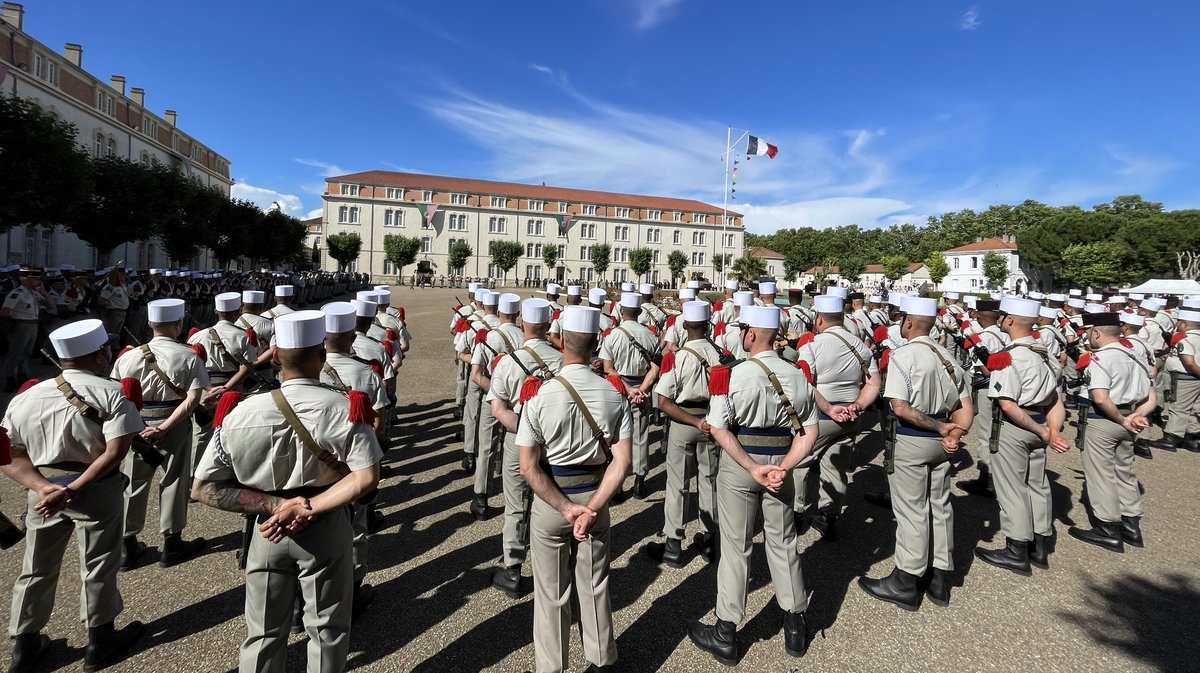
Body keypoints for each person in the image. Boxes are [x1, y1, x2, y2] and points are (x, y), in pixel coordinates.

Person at [191, 311, 382, 673]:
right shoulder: (344, 407)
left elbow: (202, 487)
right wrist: (307, 507)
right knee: (327, 630)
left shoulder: (240, 411)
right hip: (324, 521)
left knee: (262, 634)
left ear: (276, 356)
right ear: (322, 355)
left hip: (267, 525)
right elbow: (366, 478)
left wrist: (278, 505)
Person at [1, 319, 146, 672]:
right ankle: (100, 639)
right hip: (94, 488)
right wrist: (74, 489)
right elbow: (115, 452)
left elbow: (9, 454)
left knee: (35, 567)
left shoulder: (27, 396)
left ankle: (25, 644)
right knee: (98, 564)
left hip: (43, 489)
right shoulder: (111, 392)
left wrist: (44, 488)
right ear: (100, 356)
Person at [688, 305, 819, 664]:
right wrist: (783, 466)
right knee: (784, 542)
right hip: (781, 464)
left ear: (748, 335)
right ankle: (795, 626)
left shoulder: (730, 375)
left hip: (741, 465)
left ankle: (726, 631)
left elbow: (718, 428)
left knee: (736, 547)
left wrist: (752, 467)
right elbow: (811, 432)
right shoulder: (797, 374)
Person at [517, 305, 632, 673]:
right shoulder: (614, 396)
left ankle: (552, 668)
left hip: (553, 502)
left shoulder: (538, 395)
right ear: (597, 343)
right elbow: (622, 462)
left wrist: (566, 510)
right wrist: (592, 506)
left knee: (552, 595)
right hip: (594, 499)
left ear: (562, 341)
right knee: (595, 585)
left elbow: (528, 466)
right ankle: (601, 662)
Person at [858, 297, 972, 609]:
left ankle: (906, 579)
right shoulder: (947, 355)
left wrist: (938, 428)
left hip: (912, 438)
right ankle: (938, 576)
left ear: (908, 323)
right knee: (939, 505)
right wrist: (954, 432)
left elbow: (900, 407)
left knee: (911, 511)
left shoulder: (903, 356)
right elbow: (965, 408)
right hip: (942, 441)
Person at [112, 298, 210, 571]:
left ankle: (128, 545)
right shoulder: (188, 355)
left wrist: (138, 426)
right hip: (174, 424)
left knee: (133, 484)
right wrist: (166, 427)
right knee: (174, 482)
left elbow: (118, 396)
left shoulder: (128, 357)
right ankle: (172, 541)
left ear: (150, 324)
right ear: (179, 325)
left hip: (137, 427)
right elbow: (193, 400)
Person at [974, 297, 1069, 574]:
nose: (1001, 319)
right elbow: (1055, 400)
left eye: (1003, 316)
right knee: (1037, 484)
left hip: (1016, 427)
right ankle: (1039, 545)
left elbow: (1007, 403)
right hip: (1041, 422)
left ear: (1010, 320)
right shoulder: (1045, 354)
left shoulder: (1008, 357)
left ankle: (1017, 549)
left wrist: (1043, 431)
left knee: (1012, 488)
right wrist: (1051, 430)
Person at [486, 298, 563, 598]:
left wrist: (524, 429)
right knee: (549, 501)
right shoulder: (560, 360)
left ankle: (513, 569)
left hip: (517, 441)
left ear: (522, 325)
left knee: (516, 503)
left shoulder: (508, 361)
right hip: (553, 442)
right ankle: (551, 567)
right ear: (547, 327)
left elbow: (498, 410)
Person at [793, 294, 880, 541]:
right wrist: (858, 405)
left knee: (800, 463)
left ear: (819, 318)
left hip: (819, 416)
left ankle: (797, 514)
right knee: (835, 468)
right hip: (850, 416)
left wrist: (829, 407)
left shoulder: (811, 346)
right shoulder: (859, 345)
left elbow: (805, 384)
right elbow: (874, 382)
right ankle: (828, 518)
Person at [320, 301, 389, 614]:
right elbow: (378, 422)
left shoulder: (304, 373)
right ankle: (352, 587)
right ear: (351, 336)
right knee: (355, 528)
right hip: (353, 463)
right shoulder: (365, 372)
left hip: (315, 462)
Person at [1067, 312, 1155, 551]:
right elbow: (1151, 397)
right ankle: (1131, 525)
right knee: (1124, 471)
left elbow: (1100, 397)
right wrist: (1136, 415)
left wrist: (1122, 419)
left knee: (1100, 474)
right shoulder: (1136, 356)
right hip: (1129, 418)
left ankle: (1107, 528)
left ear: (1096, 333)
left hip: (1103, 419)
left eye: (1089, 332)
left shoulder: (1100, 358)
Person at [652, 300, 723, 566]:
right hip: (712, 422)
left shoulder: (679, 357)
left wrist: (693, 423)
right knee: (709, 481)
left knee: (678, 484)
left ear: (684, 326)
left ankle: (673, 544)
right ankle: (708, 540)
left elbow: (662, 400)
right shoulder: (719, 354)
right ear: (707, 325)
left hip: (684, 422)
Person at [599, 292, 660, 498]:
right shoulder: (650, 336)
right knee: (640, 435)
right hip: (642, 389)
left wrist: (626, 388)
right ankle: (640, 481)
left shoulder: (613, 335)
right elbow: (655, 368)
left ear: (622, 311)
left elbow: (608, 367)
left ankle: (616, 485)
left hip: (618, 388)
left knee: (615, 436)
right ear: (640, 311)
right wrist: (641, 389)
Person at [469, 293, 524, 519]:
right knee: (519, 447)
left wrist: (495, 391)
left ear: (499, 312)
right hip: (520, 400)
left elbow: (475, 375)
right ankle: (519, 497)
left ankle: (481, 498)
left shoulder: (489, 338)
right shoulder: (524, 337)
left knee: (486, 446)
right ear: (518, 315)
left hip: (492, 397)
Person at [957, 299, 1008, 498]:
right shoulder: (1003, 334)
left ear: (978, 315)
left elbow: (987, 371)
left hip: (987, 389)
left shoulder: (983, 338)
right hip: (1002, 388)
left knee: (986, 433)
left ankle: (987, 480)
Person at [2, 267, 53, 391]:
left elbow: (51, 306)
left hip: (33, 324)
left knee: (26, 353)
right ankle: (9, 379)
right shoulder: (17, 293)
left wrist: (44, 292)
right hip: (21, 324)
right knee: (16, 353)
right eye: (35, 279)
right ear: (25, 279)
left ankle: (22, 376)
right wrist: (14, 322)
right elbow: (4, 311)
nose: (38, 281)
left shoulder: (34, 293)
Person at [1161, 309, 1200, 451]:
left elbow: (1189, 362)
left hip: (1185, 377)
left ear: (1184, 323)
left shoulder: (1186, 339)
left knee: (1178, 407)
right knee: (1194, 408)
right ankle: (1192, 438)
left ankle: (1172, 437)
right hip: (1195, 379)